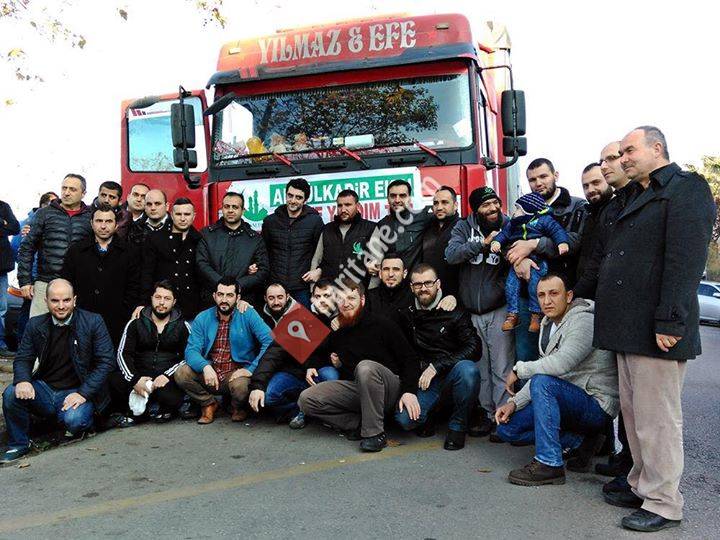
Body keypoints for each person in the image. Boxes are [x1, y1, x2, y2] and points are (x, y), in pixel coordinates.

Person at [593, 126, 715, 532]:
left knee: (657, 421)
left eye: (630, 150)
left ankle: (664, 503)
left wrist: (670, 320)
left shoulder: (686, 188)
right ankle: (641, 485)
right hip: (628, 328)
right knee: (634, 418)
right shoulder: (635, 194)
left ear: (656, 148)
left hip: (657, 329)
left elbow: (685, 261)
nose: (623, 158)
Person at [494, 274, 619, 487]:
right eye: (541, 295)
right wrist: (514, 403)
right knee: (507, 428)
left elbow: (560, 364)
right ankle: (580, 441)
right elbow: (546, 370)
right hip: (566, 399)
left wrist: (519, 369)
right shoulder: (547, 324)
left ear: (568, 296)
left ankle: (549, 462)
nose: (547, 301)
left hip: (595, 405)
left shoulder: (584, 320)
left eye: (554, 293)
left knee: (543, 383)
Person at [298, 279, 421, 452]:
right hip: (360, 388)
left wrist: (409, 391)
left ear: (362, 300)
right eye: (341, 299)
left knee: (365, 367)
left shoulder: (382, 324)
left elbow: (410, 359)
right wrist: (311, 366)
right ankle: (359, 423)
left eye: (351, 298)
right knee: (307, 399)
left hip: (390, 388)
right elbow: (321, 351)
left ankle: (375, 434)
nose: (346, 303)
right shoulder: (340, 331)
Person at [0, 279, 115, 464]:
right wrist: (23, 380)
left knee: (75, 420)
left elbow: (106, 362)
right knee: (11, 394)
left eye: (66, 300)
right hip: (45, 389)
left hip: (77, 390)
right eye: (55, 301)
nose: (61, 306)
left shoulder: (93, 321)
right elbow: (23, 358)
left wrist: (83, 393)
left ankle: (84, 424)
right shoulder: (35, 324)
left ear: (74, 300)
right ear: (46, 301)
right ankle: (19, 444)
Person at [445, 186, 515, 437]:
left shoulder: (509, 224)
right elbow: (451, 255)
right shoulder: (464, 227)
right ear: (476, 210)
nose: (493, 208)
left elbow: (515, 256)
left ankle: (503, 417)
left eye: (495, 202)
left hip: (498, 308)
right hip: (472, 313)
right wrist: (481, 245)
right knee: (482, 367)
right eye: (486, 205)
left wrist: (501, 246)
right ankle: (487, 415)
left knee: (502, 367)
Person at [395, 264, 480, 450]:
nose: (423, 288)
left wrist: (437, 366)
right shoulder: (406, 313)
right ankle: (432, 413)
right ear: (411, 288)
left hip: (451, 373)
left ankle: (458, 425)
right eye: (418, 284)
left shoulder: (455, 311)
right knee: (405, 420)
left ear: (438, 284)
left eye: (428, 283)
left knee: (469, 370)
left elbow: (475, 347)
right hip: (424, 380)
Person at [174, 277, 273, 424]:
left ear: (238, 298)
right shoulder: (203, 317)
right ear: (214, 296)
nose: (224, 300)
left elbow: (270, 341)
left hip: (236, 373)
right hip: (211, 371)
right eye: (220, 294)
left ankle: (237, 406)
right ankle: (208, 403)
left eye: (229, 295)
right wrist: (205, 366)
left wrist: (251, 369)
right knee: (181, 373)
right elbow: (191, 350)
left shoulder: (248, 314)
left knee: (241, 388)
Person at [248, 280, 340, 427]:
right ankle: (300, 410)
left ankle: (314, 410)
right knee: (269, 395)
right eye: (317, 296)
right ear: (312, 298)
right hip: (295, 372)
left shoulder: (343, 317)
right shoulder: (298, 317)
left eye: (326, 296)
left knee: (331, 377)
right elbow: (273, 354)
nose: (322, 300)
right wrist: (257, 386)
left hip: (322, 370)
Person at [109, 281, 189, 426]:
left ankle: (162, 409)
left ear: (174, 302)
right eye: (158, 297)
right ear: (151, 298)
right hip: (140, 374)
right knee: (114, 381)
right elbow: (123, 354)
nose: (162, 302)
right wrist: (135, 379)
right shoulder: (136, 323)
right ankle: (140, 412)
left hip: (165, 379)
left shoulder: (182, 325)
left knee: (170, 397)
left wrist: (167, 375)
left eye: (167, 298)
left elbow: (189, 356)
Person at [60, 204, 141, 347]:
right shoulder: (76, 251)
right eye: (99, 221)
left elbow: (134, 287)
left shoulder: (130, 252)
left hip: (116, 321)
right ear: (91, 223)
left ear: (116, 225)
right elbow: (66, 283)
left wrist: (124, 311)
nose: (103, 226)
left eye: (108, 221)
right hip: (81, 318)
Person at [490, 192, 570, 333]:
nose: (515, 212)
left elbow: (557, 231)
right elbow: (504, 234)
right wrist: (497, 242)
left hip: (538, 260)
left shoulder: (543, 220)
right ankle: (512, 314)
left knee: (535, 285)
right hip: (517, 261)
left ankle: (535, 314)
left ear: (528, 210)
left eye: (518, 209)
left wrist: (562, 242)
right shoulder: (513, 224)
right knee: (510, 285)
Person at [17, 173, 93, 317]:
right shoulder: (44, 214)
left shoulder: (90, 216)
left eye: (72, 189)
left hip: (79, 285)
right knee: (38, 327)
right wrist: (25, 281)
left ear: (83, 193)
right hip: (45, 282)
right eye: (64, 188)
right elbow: (27, 247)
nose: (66, 192)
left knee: (78, 329)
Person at [196, 191, 270, 308]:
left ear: (243, 211)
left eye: (235, 207)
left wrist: (237, 286)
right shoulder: (207, 234)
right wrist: (221, 285)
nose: (230, 210)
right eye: (227, 207)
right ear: (222, 209)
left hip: (244, 302)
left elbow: (263, 270)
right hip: (211, 301)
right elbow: (201, 264)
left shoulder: (255, 239)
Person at [262, 178, 323, 308]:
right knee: (275, 322)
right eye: (290, 195)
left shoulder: (315, 221)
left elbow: (322, 252)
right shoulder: (270, 221)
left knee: (303, 321)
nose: (293, 200)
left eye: (298, 197)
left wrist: (319, 270)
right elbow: (263, 252)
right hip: (276, 289)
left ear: (305, 200)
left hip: (302, 288)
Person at [140, 197, 202, 322]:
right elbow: (147, 273)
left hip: (191, 309)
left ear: (194, 216)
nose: (183, 218)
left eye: (187, 214)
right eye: (178, 214)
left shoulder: (199, 240)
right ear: (172, 215)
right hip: (161, 308)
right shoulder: (156, 238)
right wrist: (143, 303)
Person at [10, 192, 57, 344]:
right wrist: (27, 275)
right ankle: (22, 344)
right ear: (42, 205)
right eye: (51, 203)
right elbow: (16, 249)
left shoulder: (55, 221)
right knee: (28, 311)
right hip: (32, 276)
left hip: (48, 276)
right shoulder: (27, 223)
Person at [308, 189, 377, 286]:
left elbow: (376, 263)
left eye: (348, 205)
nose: (343, 209)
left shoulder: (371, 228)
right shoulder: (327, 229)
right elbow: (316, 260)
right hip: (330, 290)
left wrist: (372, 290)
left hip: (358, 291)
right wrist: (313, 288)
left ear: (358, 206)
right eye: (340, 205)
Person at [374, 179, 433, 273]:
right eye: (393, 196)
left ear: (409, 198)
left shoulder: (423, 217)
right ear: (388, 198)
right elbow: (376, 255)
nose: (397, 200)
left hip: (416, 280)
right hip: (392, 279)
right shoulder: (382, 224)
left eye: (402, 196)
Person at [576, 163, 614, 281]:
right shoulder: (587, 216)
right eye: (585, 186)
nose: (590, 190)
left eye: (596, 183)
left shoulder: (620, 212)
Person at [421, 186, 461, 298]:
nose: (439, 207)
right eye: (436, 203)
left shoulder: (463, 227)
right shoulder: (427, 227)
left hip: (455, 298)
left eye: (444, 202)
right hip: (428, 296)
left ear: (455, 205)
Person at [0, 195, 20, 359]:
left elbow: (15, 227)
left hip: (1, 266)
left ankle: (0, 345)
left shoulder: (3, 206)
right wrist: (2, 223)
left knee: (1, 308)